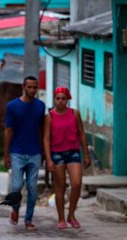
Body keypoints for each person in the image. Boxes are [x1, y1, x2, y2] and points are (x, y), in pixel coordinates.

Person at [43, 87, 91, 229]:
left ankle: (71, 215)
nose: (60, 101)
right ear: (54, 99)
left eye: (63, 98)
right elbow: (46, 138)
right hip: (56, 153)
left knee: (76, 184)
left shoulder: (74, 114)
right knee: (60, 186)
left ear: (68, 99)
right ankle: (61, 218)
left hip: (73, 152)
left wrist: (86, 154)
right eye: (58, 98)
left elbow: (82, 134)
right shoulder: (49, 116)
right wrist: (48, 159)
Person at [4, 76, 46, 232]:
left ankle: (28, 219)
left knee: (32, 188)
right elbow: (8, 130)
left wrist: (42, 152)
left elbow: (42, 130)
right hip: (17, 152)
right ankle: (15, 210)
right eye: (29, 87)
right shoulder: (13, 106)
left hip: (35, 153)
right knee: (16, 186)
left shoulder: (40, 106)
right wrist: (6, 154)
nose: (32, 90)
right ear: (23, 87)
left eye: (35, 87)